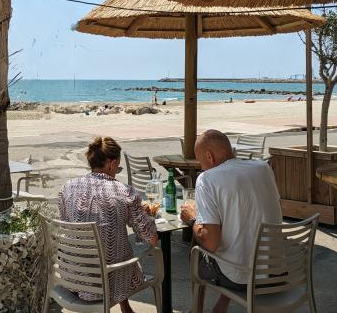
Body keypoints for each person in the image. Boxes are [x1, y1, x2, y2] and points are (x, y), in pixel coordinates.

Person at [180, 130, 282, 313]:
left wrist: (193, 219)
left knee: (197, 249)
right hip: (277, 271)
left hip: (244, 279)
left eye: (200, 162)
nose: (201, 168)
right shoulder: (263, 167)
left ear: (209, 157)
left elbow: (211, 243)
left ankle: (196, 309)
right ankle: (221, 306)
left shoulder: (207, 179)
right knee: (238, 229)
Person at [59, 137, 158, 313]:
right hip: (104, 280)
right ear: (111, 164)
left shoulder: (67, 188)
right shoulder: (123, 192)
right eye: (118, 167)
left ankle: (125, 306)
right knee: (118, 251)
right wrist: (148, 216)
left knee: (110, 245)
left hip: (72, 276)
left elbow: (68, 224)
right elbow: (151, 238)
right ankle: (123, 304)